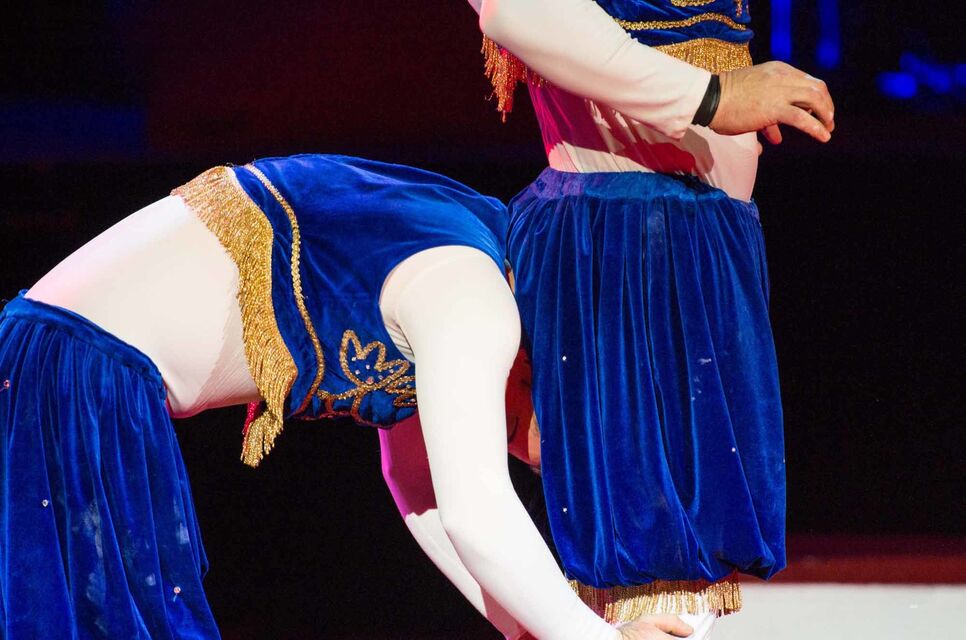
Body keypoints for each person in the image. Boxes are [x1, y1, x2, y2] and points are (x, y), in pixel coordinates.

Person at [0, 154, 688, 639]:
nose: (510, 448)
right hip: (77, 375)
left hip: (56, 362)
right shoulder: (473, 300)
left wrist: (541, 626)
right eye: (513, 429)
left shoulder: (463, 257)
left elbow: (421, 485)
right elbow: (476, 510)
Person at [460, 0, 835, 637]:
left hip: (688, 246)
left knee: (671, 589)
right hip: (627, 251)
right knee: (650, 591)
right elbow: (514, 8)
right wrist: (711, 96)